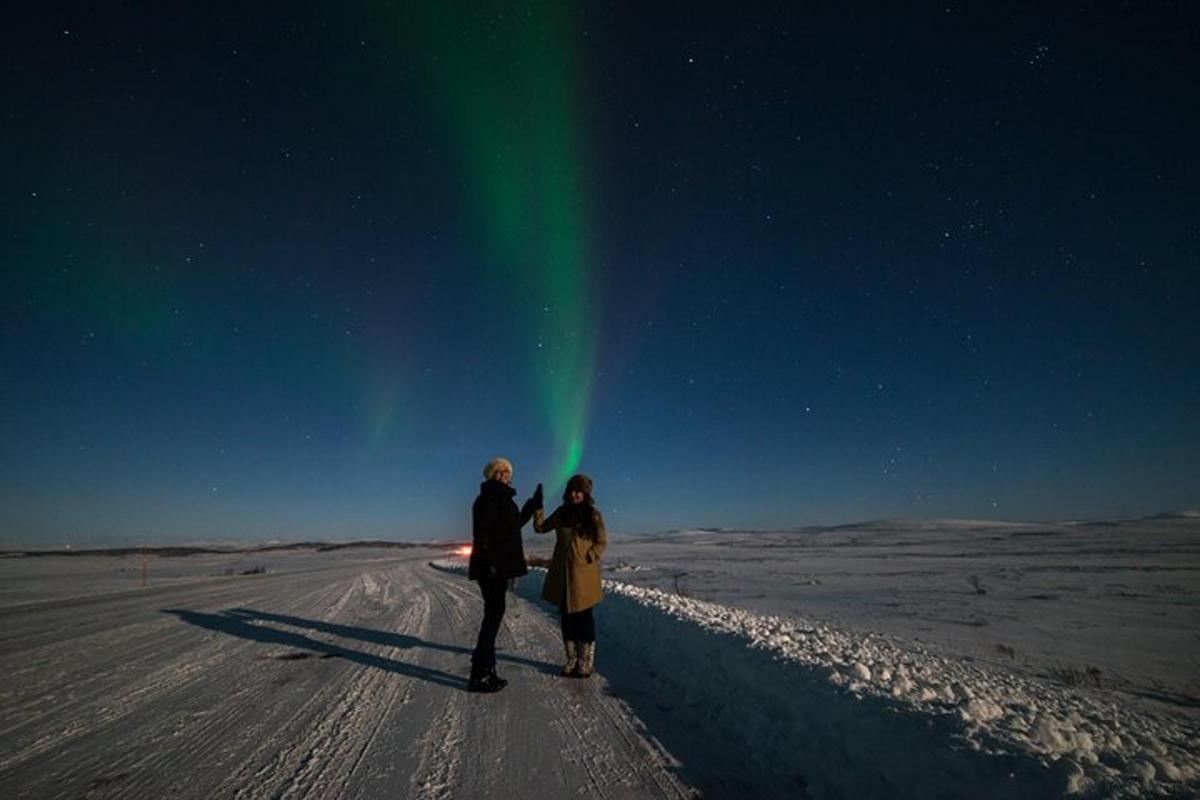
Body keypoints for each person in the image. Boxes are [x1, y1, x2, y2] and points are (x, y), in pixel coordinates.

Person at [468, 457, 542, 693]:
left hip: (497, 566)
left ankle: (486, 670)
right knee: (492, 616)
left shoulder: (503, 498)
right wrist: (491, 564)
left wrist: (532, 504)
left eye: (506, 471)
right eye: (498, 471)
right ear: (491, 475)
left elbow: (514, 525)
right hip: (492, 567)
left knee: (494, 615)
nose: (503, 474)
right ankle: (480, 674)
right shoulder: (489, 498)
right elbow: (484, 534)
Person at [533, 473, 607, 678]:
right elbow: (539, 528)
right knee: (566, 618)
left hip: (584, 576)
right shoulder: (561, 513)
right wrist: (537, 506)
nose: (575, 495)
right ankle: (571, 660)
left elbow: (601, 541)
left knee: (584, 619)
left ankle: (585, 662)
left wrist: (590, 556)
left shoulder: (593, 515)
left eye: (579, 491)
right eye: (572, 491)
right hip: (563, 575)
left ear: (585, 494)